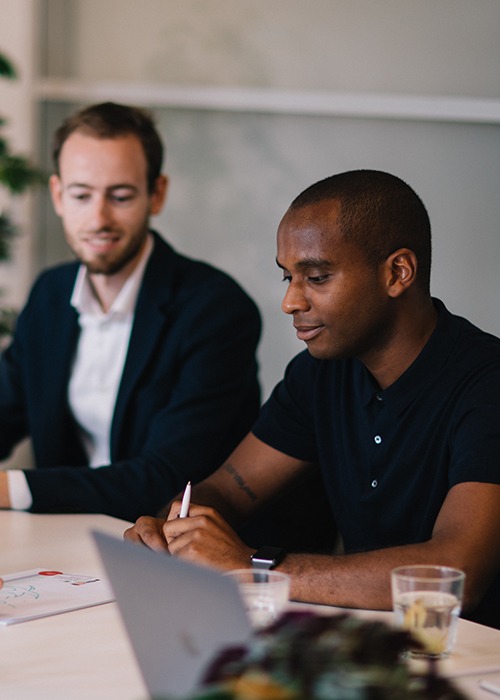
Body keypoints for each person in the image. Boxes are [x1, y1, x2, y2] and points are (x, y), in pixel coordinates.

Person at [126, 169, 500, 629]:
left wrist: (253, 568)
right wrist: (174, 529)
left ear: (397, 272)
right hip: (372, 648)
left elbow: (456, 571)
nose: (290, 301)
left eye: (317, 277)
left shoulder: (486, 383)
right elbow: (228, 488)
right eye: (287, 276)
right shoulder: (320, 373)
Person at [0, 102, 262, 522]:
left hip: (175, 550)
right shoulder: (50, 294)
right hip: (68, 539)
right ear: (57, 196)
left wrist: (13, 487)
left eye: (120, 196)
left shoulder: (215, 310)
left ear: (156, 194)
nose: (99, 218)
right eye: (81, 195)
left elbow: (168, 477)